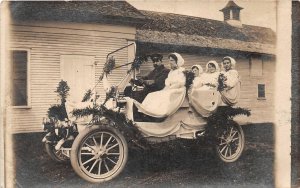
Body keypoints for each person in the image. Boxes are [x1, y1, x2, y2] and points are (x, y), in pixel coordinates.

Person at [133, 53, 186, 118]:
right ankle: (147, 114)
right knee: (149, 95)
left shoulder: (175, 71)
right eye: (154, 61)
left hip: (175, 89)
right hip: (167, 88)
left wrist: (146, 82)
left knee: (146, 95)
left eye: (172, 60)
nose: (155, 63)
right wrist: (138, 80)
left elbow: (180, 82)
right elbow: (166, 81)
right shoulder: (169, 71)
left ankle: (147, 115)